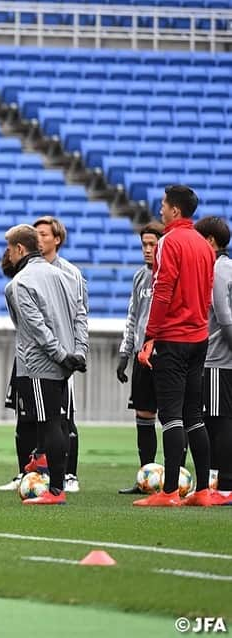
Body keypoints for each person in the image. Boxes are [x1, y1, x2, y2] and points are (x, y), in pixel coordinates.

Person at [133, 186, 215, 507]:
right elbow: (206, 292)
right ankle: (204, 491)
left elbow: (162, 291)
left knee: (171, 416)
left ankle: (168, 492)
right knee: (194, 414)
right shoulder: (204, 245)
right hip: (199, 337)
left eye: (165, 205)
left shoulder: (170, 242)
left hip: (173, 338)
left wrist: (151, 336)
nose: (161, 209)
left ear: (176, 210)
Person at [4, 223, 87, 505]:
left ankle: (55, 490)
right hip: (64, 361)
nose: (8, 255)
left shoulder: (19, 283)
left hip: (39, 364)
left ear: (19, 249)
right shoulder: (65, 275)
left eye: (9, 248)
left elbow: (34, 327)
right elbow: (80, 315)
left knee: (49, 422)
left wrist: (60, 354)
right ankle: (39, 463)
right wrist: (78, 352)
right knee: (54, 420)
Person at [33, 216, 87, 493]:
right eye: (36, 234)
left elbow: (80, 313)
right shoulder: (29, 271)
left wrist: (79, 351)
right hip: (37, 357)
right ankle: (35, 472)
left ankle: (70, 475)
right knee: (35, 417)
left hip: (63, 356)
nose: (39, 238)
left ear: (57, 239)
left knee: (64, 417)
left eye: (44, 234)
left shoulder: (70, 273)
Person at [116, 222, 164, 494]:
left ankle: (173, 479)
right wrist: (125, 353)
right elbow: (133, 316)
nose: (147, 250)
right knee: (144, 415)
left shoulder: (170, 275)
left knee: (171, 416)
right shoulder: (139, 277)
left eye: (152, 244)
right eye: (144, 244)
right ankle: (146, 477)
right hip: (140, 355)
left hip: (165, 354)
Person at [194, 215, 232, 504]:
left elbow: (223, 315)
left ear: (209, 241)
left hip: (218, 358)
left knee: (218, 421)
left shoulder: (218, 269)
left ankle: (223, 483)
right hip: (222, 358)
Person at [0, 247, 39, 492]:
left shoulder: (60, 274)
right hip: (23, 355)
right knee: (22, 416)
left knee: (52, 418)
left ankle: (60, 474)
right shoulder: (17, 281)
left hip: (44, 357)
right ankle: (25, 472)